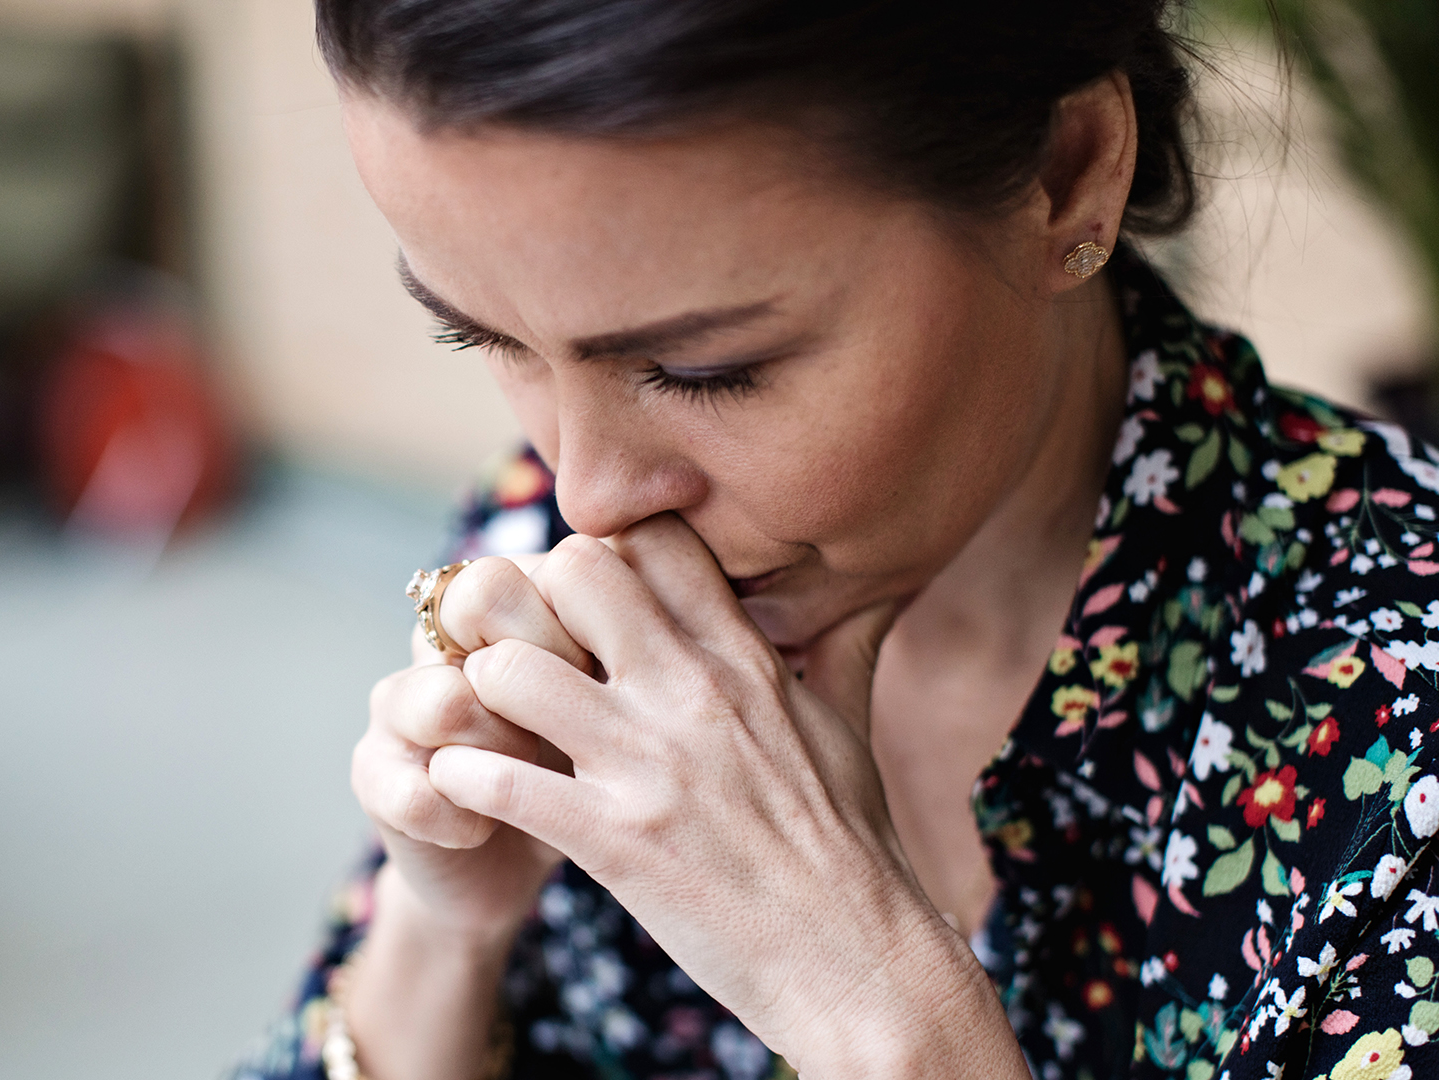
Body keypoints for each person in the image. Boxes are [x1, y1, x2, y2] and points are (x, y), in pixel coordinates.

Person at [233, 2, 1439, 1078]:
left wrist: (876, 1006)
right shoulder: (540, 535)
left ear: (1067, 174)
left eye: (707, 369)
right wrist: (443, 933)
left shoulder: (1402, 732)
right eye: (479, 337)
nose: (586, 493)